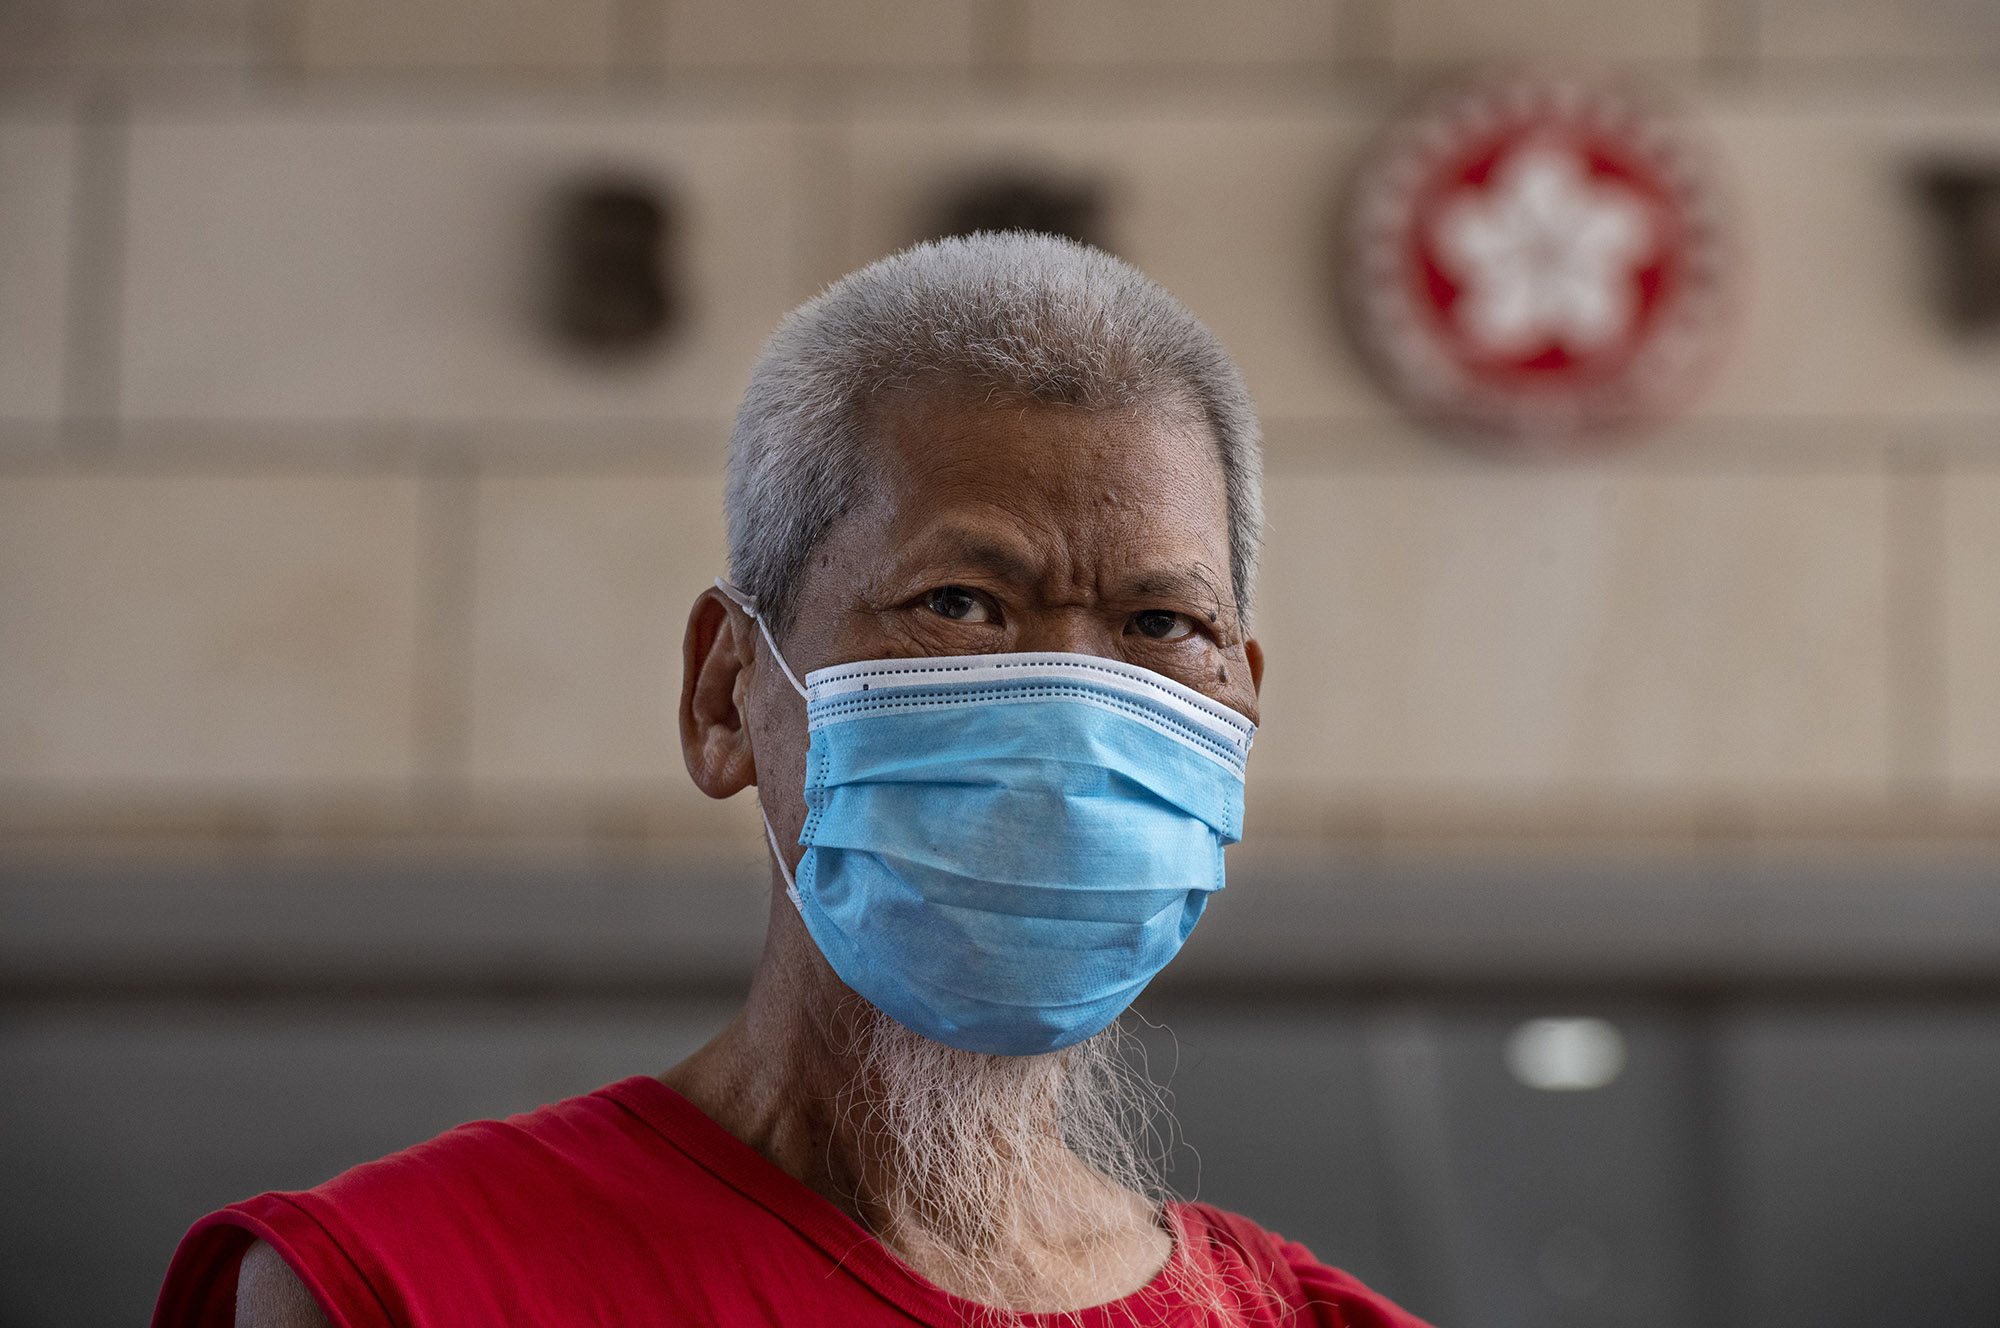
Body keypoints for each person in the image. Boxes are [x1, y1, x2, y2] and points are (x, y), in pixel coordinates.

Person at [155, 233, 1429, 1328]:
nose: (1073, 717)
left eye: (1160, 624)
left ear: (1239, 699)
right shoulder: (403, 1284)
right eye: (959, 602)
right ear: (727, 694)